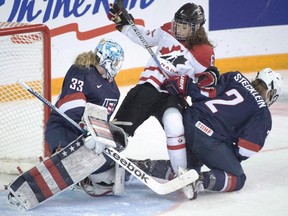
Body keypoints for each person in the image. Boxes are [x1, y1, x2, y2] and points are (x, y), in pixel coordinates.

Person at [108, 2, 216, 197]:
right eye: (178, 24)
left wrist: (209, 80)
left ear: (197, 28)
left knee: (175, 125)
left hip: (172, 95)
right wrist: (124, 23)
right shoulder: (167, 29)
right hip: (147, 89)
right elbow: (146, 37)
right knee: (118, 133)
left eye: (185, 26)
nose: (178, 29)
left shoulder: (204, 52)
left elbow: (204, 85)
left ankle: (182, 174)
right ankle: (95, 166)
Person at [133, 67, 282, 200]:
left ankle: (143, 166)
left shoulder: (235, 77)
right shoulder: (263, 114)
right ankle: (199, 181)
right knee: (238, 178)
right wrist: (226, 157)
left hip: (189, 120)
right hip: (209, 141)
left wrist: (187, 86)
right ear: (272, 93)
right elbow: (246, 148)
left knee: (187, 168)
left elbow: (204, 92)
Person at [45, 38, 124, 154]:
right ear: (106, 59)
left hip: (87, 137)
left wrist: (103, 135)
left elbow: (102, 119)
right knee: (66, 156)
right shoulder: (81, 70)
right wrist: (87, 127)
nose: (117, 66)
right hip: (62, 127)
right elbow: (68, 106)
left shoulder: (114, 92)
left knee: (103, 159)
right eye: (116, 61)